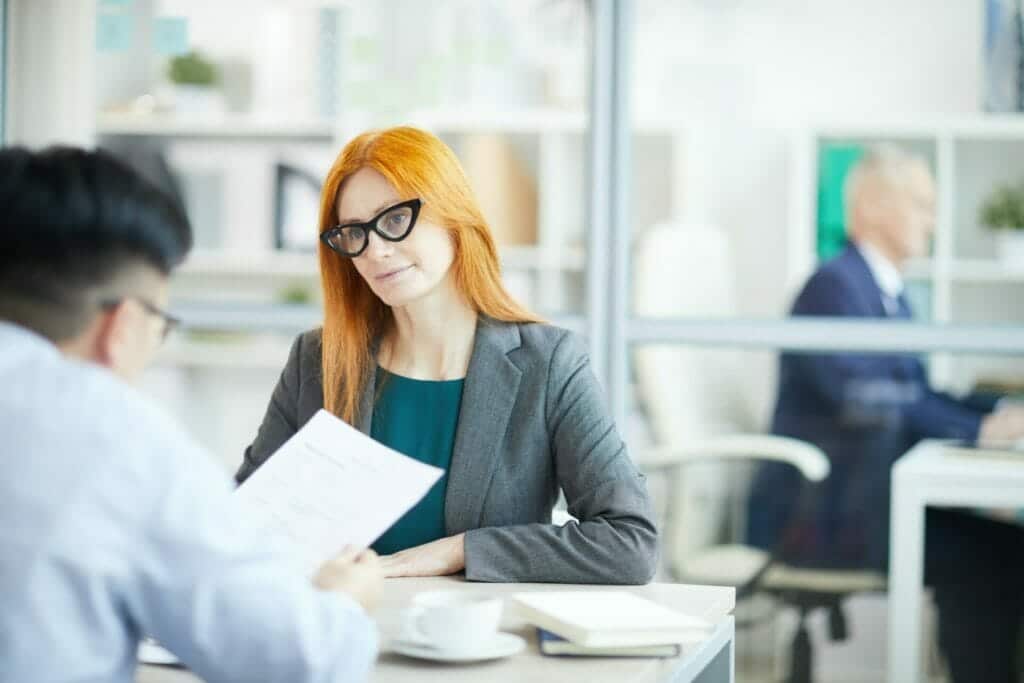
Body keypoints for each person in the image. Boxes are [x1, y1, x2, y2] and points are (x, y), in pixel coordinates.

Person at [0, 146, 383, 682]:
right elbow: (297, 660)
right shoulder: (121, 441)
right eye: (161, 322)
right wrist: (343, 601)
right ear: (125, 325)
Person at [237, 126, 658, 584]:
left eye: (394, 220)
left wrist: (459, 551)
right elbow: (241, 524)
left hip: (478, 639)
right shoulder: (317, 359)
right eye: (354, 233)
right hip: (341, 628)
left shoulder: (547, 362)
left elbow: (629, 542)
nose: (375, 250)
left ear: (453, 215)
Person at [747, 145, 1024, 683]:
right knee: (1000, 560)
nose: (934, 221)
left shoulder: (883, 293)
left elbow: (914, 389)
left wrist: (995, 411)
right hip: (829, 517)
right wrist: (979, 429)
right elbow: (865, 396)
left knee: (1003, 552)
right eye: (921, 203)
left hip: (862, 498)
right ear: (873, 207)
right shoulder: (834, 287)